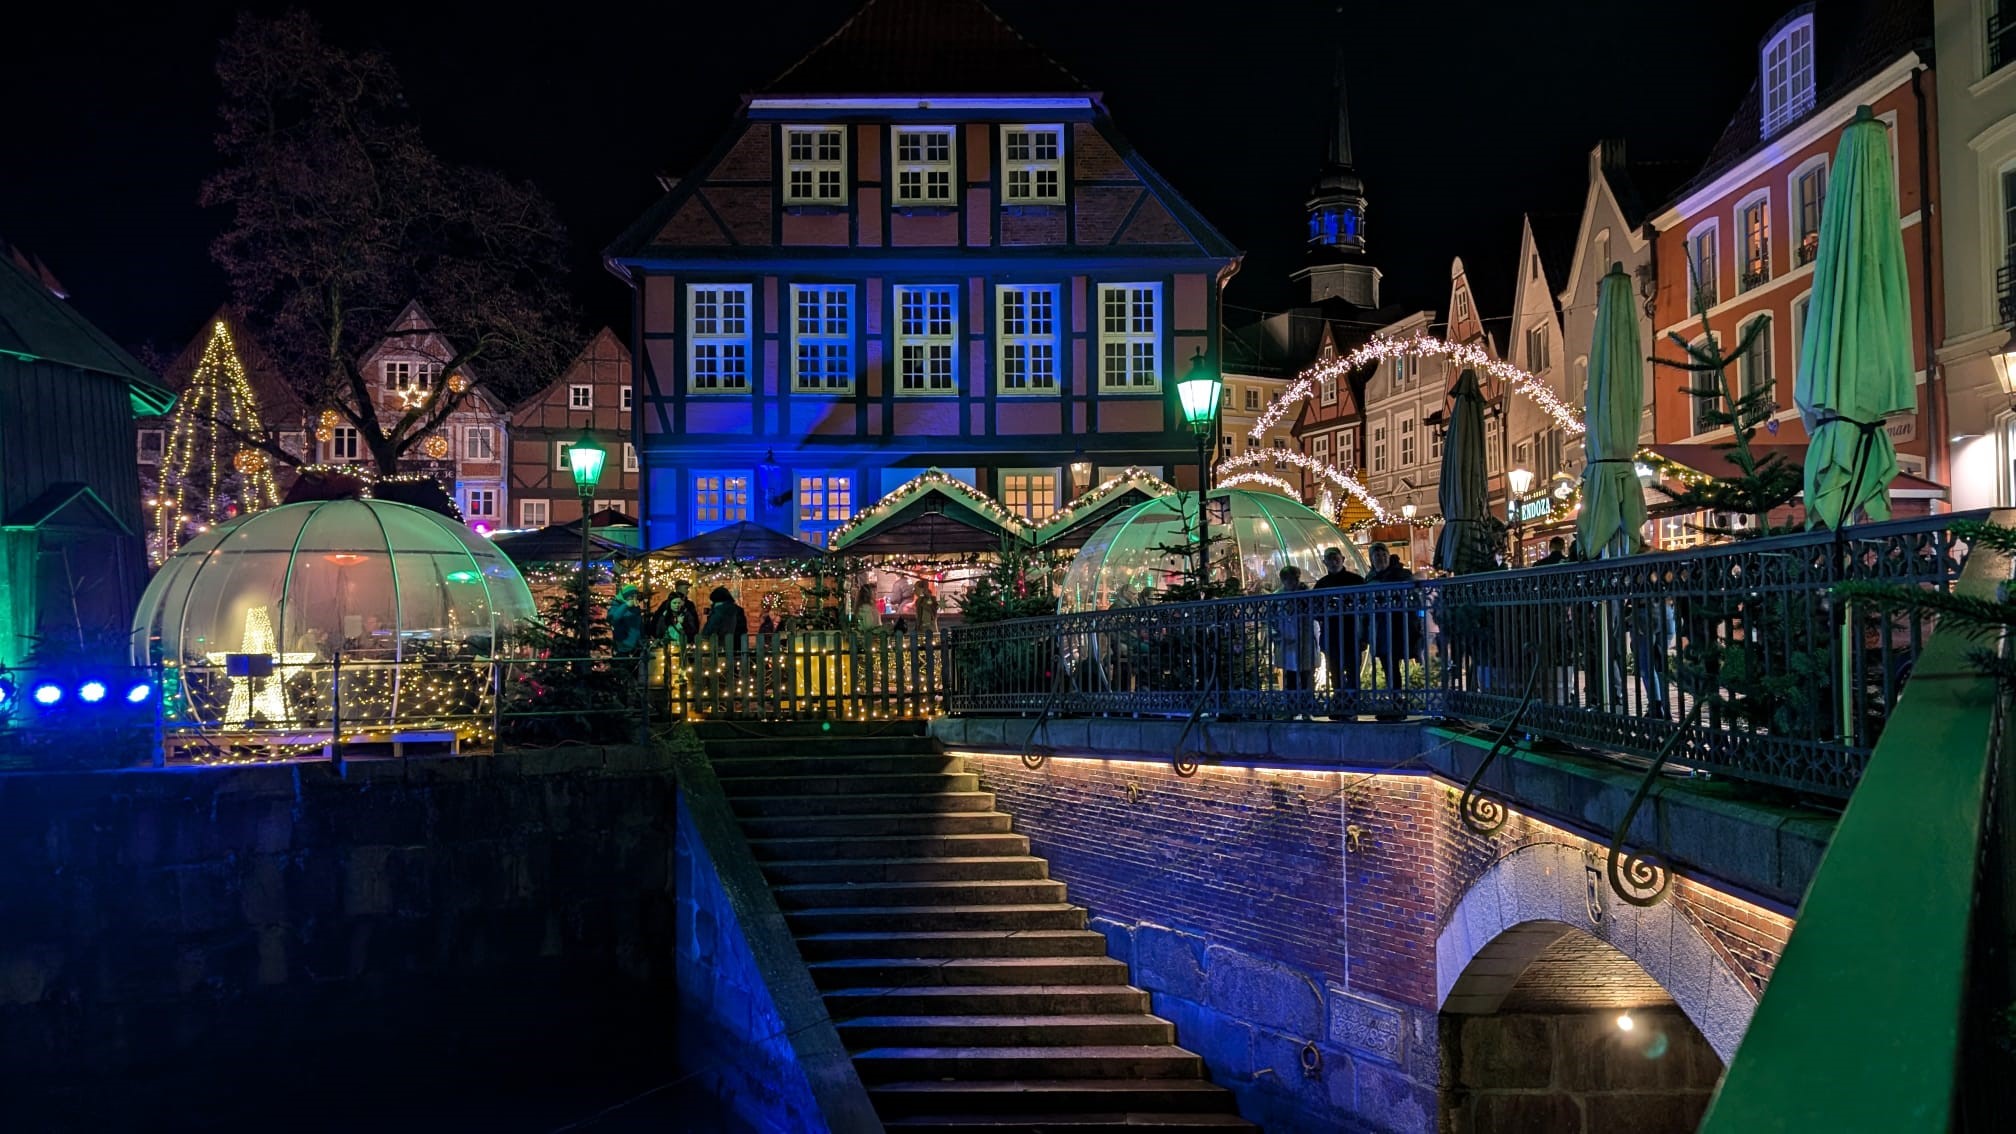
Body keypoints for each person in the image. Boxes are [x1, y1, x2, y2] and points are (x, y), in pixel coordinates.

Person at [1366, 544, 1415, 708]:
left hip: (1398, 626)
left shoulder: (1401, 574)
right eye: (1377, 556)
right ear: (1372, 559)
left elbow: (1411, 593)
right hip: (1379, 627)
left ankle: (1397, 700)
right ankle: (1395, 699)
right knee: (1388, 663)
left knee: (1393, 662)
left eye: (1383, 554)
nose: (1380, 558)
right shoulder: (1370, 577)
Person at [1314, 547, 1365, 702]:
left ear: (1343, 559)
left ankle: (1352, 702)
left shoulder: (1355, 580)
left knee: (1352, 669)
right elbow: (1315, 609)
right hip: (1331, 633)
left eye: (1336, 558)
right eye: (1330, 559)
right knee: (1334, 669)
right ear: (1325, 562)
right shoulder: (1322, 583)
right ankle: (1340, 700)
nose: (1333, 562)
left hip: (1352, 631)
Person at [1272, 564, 1316, 698]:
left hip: (1305, 639)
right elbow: (1271, 618)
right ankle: (1292, 704)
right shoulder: (1277, 597)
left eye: (1295, 579)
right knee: (1290, 673)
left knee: (1306, 673)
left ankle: (1306, 703)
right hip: (1288, 639)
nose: (1293, 582)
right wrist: (1277, 634)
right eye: (1289, 579)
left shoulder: (1306, 594)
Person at [654, 579, 701, 645]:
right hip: (669, 644)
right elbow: (658, 624)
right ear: (679, 588)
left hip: (684, 642)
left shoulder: (689, 605)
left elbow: (694, 624)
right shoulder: (665, 606)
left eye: (679, 603)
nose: (688, 591)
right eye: (686, 588)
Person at [607, 584, 645, 653]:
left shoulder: (634, 607)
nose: (633, 598)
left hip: (636, 646)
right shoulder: (616, 605)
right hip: (622, 646)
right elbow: (614, 618)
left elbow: (638, 625)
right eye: (631, 596)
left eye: (635, 596)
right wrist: (626, 605)